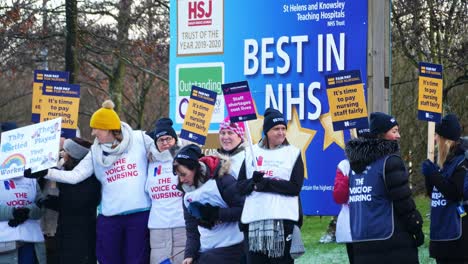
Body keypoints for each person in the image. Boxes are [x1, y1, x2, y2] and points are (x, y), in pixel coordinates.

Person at [25, 100, 153, 264]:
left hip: (138, 213)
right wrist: (46, 172)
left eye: (96, 128)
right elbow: (75, 175)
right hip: (110, 217)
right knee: (108, 259)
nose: (92, 133)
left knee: (135, 260)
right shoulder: (96, 150)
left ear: (108, 128)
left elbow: (165, 151)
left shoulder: (140, 138)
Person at [345, 112, 424, 263]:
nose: (399, 136)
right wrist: (416, 227)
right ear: (381, 134)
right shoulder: (390, 161)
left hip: (362, 242)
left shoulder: (354, 166)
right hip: (392, 243)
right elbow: (404, 202)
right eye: (394, 131)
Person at [237, 107, 304, 263]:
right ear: (266, 131)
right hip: (254, 224)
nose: (281, 132)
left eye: (283, 128)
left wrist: (266, 183)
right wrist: (252, 182)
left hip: (284, 222)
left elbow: (295, 187)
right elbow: (239, 187)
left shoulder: (293, 153)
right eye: (276, 129)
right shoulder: (250, 153)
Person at [173, 144, 245, 264]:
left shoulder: (222, 180)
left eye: (183, 174)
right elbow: (192, 228)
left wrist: (216, 213)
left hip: (232, 246)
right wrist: (189, 254)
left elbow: (243, 210)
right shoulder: (186, 192)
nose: (181, 180)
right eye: (178, 176)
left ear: (195, 168)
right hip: (206, 248)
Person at [38, 137, 101, 264]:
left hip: (81, 235)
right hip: (65, 232)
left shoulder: (88, 179)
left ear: (73, 155)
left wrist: (52, 202)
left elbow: (75, 204)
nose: (62, 154)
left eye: (65, 151)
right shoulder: (67, 172)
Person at [421, 114, 468, 263]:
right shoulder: (439, 161)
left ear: (446, 139)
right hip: (441, 233)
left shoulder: (462, 162)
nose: (434, 139)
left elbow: (455, 193)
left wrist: (434, 175)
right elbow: (432, 193)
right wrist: (429, 177)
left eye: (437, 135)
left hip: (457, 237)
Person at [0, 122, 46, 263]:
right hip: (5, 244)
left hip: (30, 242)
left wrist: (27, 212)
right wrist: (12, 212)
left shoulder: (30, 173)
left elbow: (40, 205)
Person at [145, 118, 186, 264]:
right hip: (158, 226)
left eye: (168, 138)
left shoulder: (183, 159)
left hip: (182, 223)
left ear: (175, 139)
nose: (165, 142)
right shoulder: (149, 161)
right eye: (160, 140)